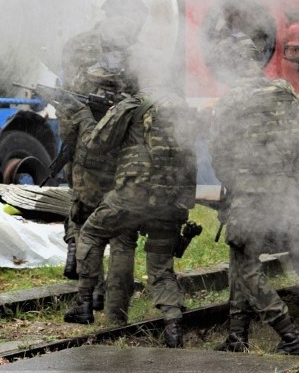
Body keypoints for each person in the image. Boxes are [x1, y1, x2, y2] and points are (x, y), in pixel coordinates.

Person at [207, 33, 299, 356]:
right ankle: (237, 336)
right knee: (239, 260)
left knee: (246, 266)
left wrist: (240, 181)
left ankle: (290, 336)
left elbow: (218, 157)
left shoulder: (230, 103)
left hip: (250, 197)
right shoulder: (285, 91)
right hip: (288, 198)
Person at [63, 76, 198, 349]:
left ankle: (84, 304)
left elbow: (94, 145)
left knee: (90, 231)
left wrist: (82, 115)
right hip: (172, 200)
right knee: (161, 269)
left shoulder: (133, 105)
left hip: (133, 195)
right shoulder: (180, 108)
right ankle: (173, 326)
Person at [56, 16, 141, 325]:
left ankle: (89, 298)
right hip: (120, 162)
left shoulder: (86, 51)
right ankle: (113, 307)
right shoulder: (133, 62)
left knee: (87, 227)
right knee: (121, 235)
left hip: (91, 160)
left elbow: (71, 127)